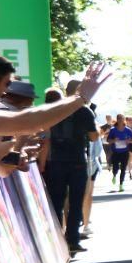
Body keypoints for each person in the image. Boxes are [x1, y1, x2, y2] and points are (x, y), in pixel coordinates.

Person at [44, 79, 99, 253]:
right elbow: (94, 137)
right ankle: (73, 240)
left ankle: (56, 242)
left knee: (56, 202)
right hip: (77, 161)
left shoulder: (53, 108)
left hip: (55, 161)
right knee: (76, 202)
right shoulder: (84, 110)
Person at [106, 115, 132, 191]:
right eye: (119, 119)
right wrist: (114, 140)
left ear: (124, 120)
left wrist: (129, 141)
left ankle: (121, 185)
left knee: (123, 169)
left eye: (122, 119)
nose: (120, 120)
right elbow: (108, 140)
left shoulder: (128, 130)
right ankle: (114, 175)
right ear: (117, 120)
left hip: (125, 152)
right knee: (115, 168)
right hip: (116, 152)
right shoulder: (113, 130)